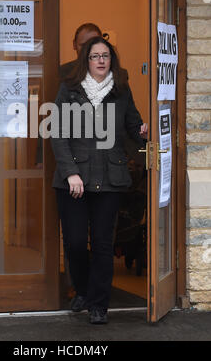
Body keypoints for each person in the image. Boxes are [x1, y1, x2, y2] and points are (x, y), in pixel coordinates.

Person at [50, 36, 147, 324]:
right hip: (74, 181)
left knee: (104, 244)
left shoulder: (121, 90)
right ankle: (81, 289)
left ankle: (98, 305)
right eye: (95, 56)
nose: (101, 60)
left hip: (110, 178)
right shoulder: (69, 90)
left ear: (111, 60)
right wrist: (71, 173)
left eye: (105, 56)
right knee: (77, 243)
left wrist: (143, 133)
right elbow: (58, 134)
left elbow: (133, 126)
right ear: (86, 60)